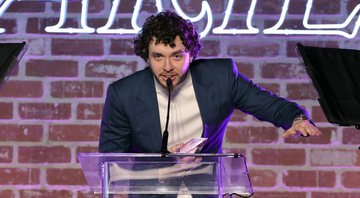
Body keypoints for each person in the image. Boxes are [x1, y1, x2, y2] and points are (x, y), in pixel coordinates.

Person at [98, 10, 321, 197]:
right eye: (158, 57)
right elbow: (109, 165)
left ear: (191, 55)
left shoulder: (221, 77)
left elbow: (269, 104)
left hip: (205, 190)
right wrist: (162, 166)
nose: (167, 66)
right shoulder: (123, 94)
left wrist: (296, 118)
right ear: (147, 56)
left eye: (177, 56)